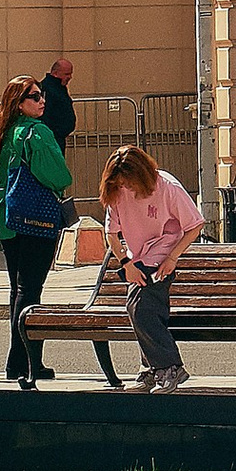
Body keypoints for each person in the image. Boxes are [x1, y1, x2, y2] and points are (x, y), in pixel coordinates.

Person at [0, 75, 73, 387]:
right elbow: (60, 176)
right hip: (35, 219)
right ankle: (24, 362)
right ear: (19, 103)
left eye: (42, 95)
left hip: (7, 219)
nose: (42, 100)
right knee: (30, 290)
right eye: (34, 96)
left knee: (18, 289)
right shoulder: (38, 132)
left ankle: (20, 360)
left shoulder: (4, 132)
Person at [100, 140, 201, 391]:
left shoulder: (167, 187)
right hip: (137, 257)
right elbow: (112, 234)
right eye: (121, 183)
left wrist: (172, 257)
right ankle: (152, 368)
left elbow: (195, 225)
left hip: (163, 251)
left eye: (129, 182)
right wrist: (126, 262)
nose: (126, 187)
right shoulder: (117, 191)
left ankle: (170, 367)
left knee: (140, 307)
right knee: (137, 308)